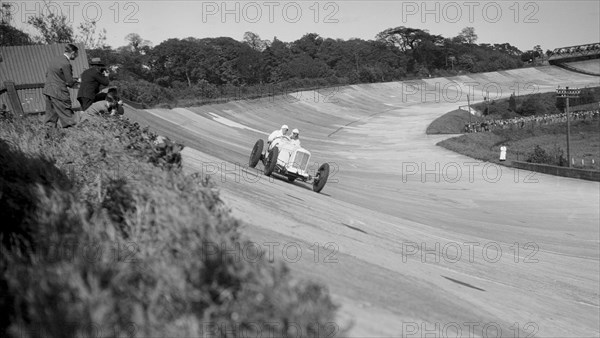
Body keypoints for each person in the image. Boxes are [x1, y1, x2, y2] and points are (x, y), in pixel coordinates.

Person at [42, 43, 79, 128]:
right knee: (68, 116)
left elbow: (47, 74)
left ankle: (49, 138)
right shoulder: (66, 63)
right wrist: (77, 80)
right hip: (59, 92)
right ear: (73, 52)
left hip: (48, 91)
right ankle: (74, 138)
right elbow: (70, 82)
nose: (76, 56)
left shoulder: (55, 60)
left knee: (50, 117)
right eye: (76, 54)